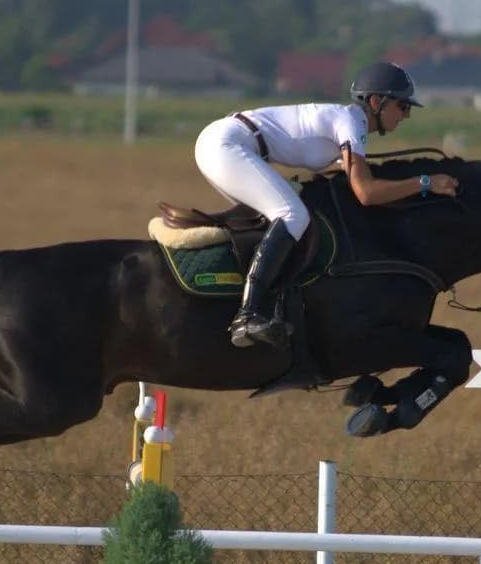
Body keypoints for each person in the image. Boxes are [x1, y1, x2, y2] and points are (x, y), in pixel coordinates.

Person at [185, 61, 458, 349]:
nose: (406, 115)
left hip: (226, 144)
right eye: (403, 106)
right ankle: (247, 316)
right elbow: (366, 193)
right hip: (227, 146)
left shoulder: (350, 124)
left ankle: (266, 304)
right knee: (293, 215)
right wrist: (426, 182)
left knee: (279, 220)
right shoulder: (350, 123)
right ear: (377, 101)